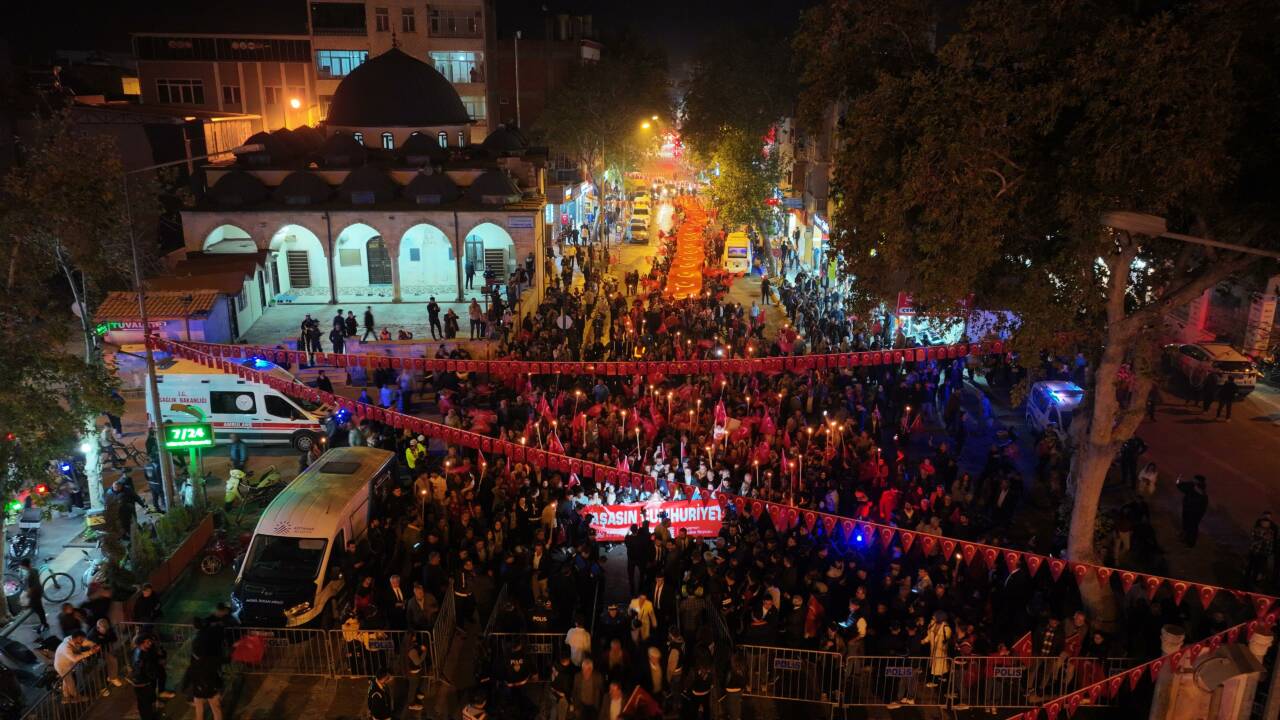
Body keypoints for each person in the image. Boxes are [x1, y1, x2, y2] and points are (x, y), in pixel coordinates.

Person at [54, 631, 99, 703]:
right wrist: (90, 652)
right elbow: (74, 658)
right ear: (74, 638)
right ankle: (76, 697)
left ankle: (66, 698)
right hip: (62, 666)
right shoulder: (65, 647)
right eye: (80, 639)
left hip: (68, 664)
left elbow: (86, 642)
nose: (82, 641)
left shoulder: (77, 640)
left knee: (66, 681)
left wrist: (93, 645)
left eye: (82, 639)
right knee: (69, 682)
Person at [1177, 475, 1210, 547]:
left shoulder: (1201, 492)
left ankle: (1190, 542)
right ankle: (1186, 538)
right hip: (1188, 509)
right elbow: (1180, 486)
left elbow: (1202, 504)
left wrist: (1179, 481)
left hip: (1194, 513)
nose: (1193, 481)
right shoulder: (1192, 486)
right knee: (1187, 524)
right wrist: (1178, 480)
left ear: (1199, 481)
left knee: (1192, 526)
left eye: (1195, 480)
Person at [1246, 511, 1277, 589]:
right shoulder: (1256, 529)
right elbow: (1252, 541)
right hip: (1255, 552)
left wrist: (1269, 552)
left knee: (1258, 568)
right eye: (1264, 521)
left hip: (1263, 554)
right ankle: (1247, 580)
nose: (1266, 522)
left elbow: (1271, 543)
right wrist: (1262, 539)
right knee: (1250, 566)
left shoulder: (1271, 531)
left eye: (1267, 521)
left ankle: (1254, 581)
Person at [20, 557, 48, 632]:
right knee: (39, 609)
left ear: (24, 566)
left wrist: (29, 594)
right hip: (38, 593)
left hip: (35, 594)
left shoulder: (30, 574)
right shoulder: (35, 570)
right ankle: (44, 623)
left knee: (39, 610)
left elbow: (33, 586)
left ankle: (44, 625)